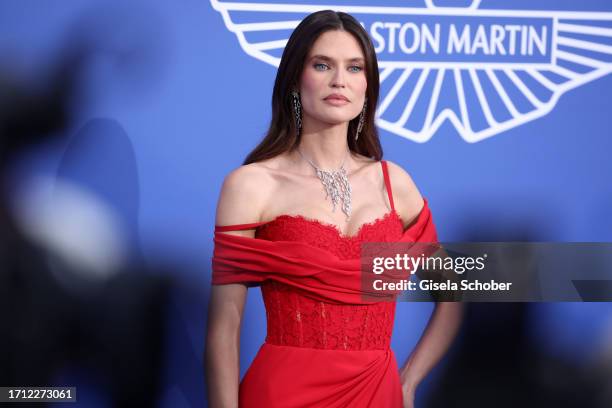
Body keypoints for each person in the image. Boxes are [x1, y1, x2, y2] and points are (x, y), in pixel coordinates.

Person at [206, 10, 463, 408]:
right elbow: (226, 325)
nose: (339, 80)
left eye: (354, 68)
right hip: (281, 394)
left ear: (367, 86)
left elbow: (454, 291)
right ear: (295, 78)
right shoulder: (251, 185)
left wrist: (408, 383)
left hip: (378, 394)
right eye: (322, 64)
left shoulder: (396, 184)